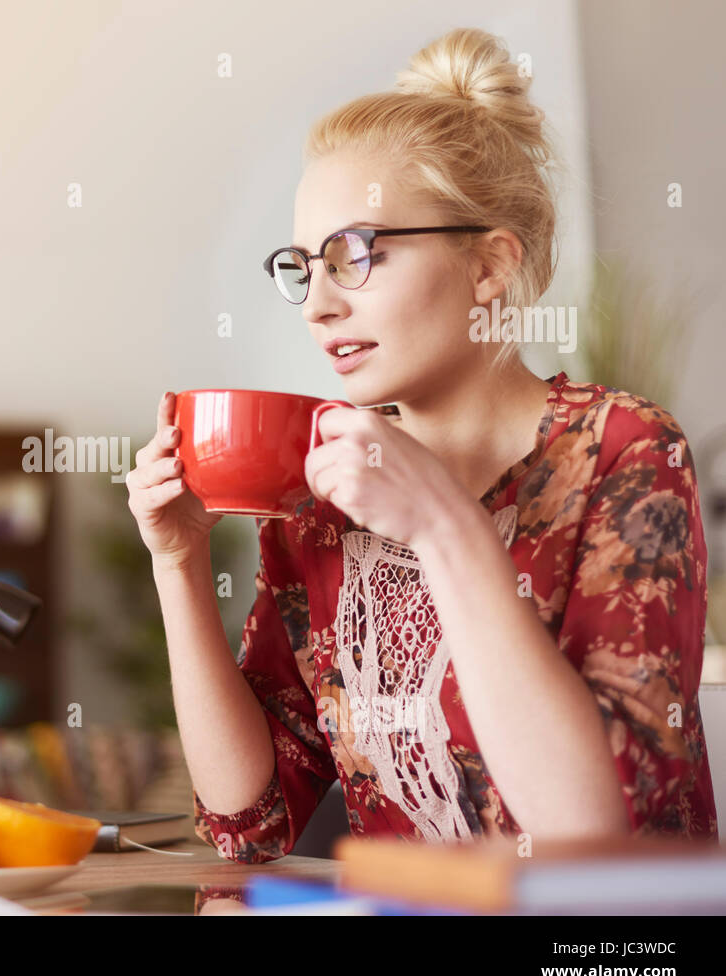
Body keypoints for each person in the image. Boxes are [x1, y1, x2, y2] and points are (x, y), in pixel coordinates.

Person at [125, 27, 717, 862]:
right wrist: (178, 564)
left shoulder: (624, 453)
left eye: (356, 254)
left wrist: (443, 528)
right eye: (304, 265)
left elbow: (593, 832)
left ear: (488, 268)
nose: (317, 304)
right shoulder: (323, 496)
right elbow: (247, 827)